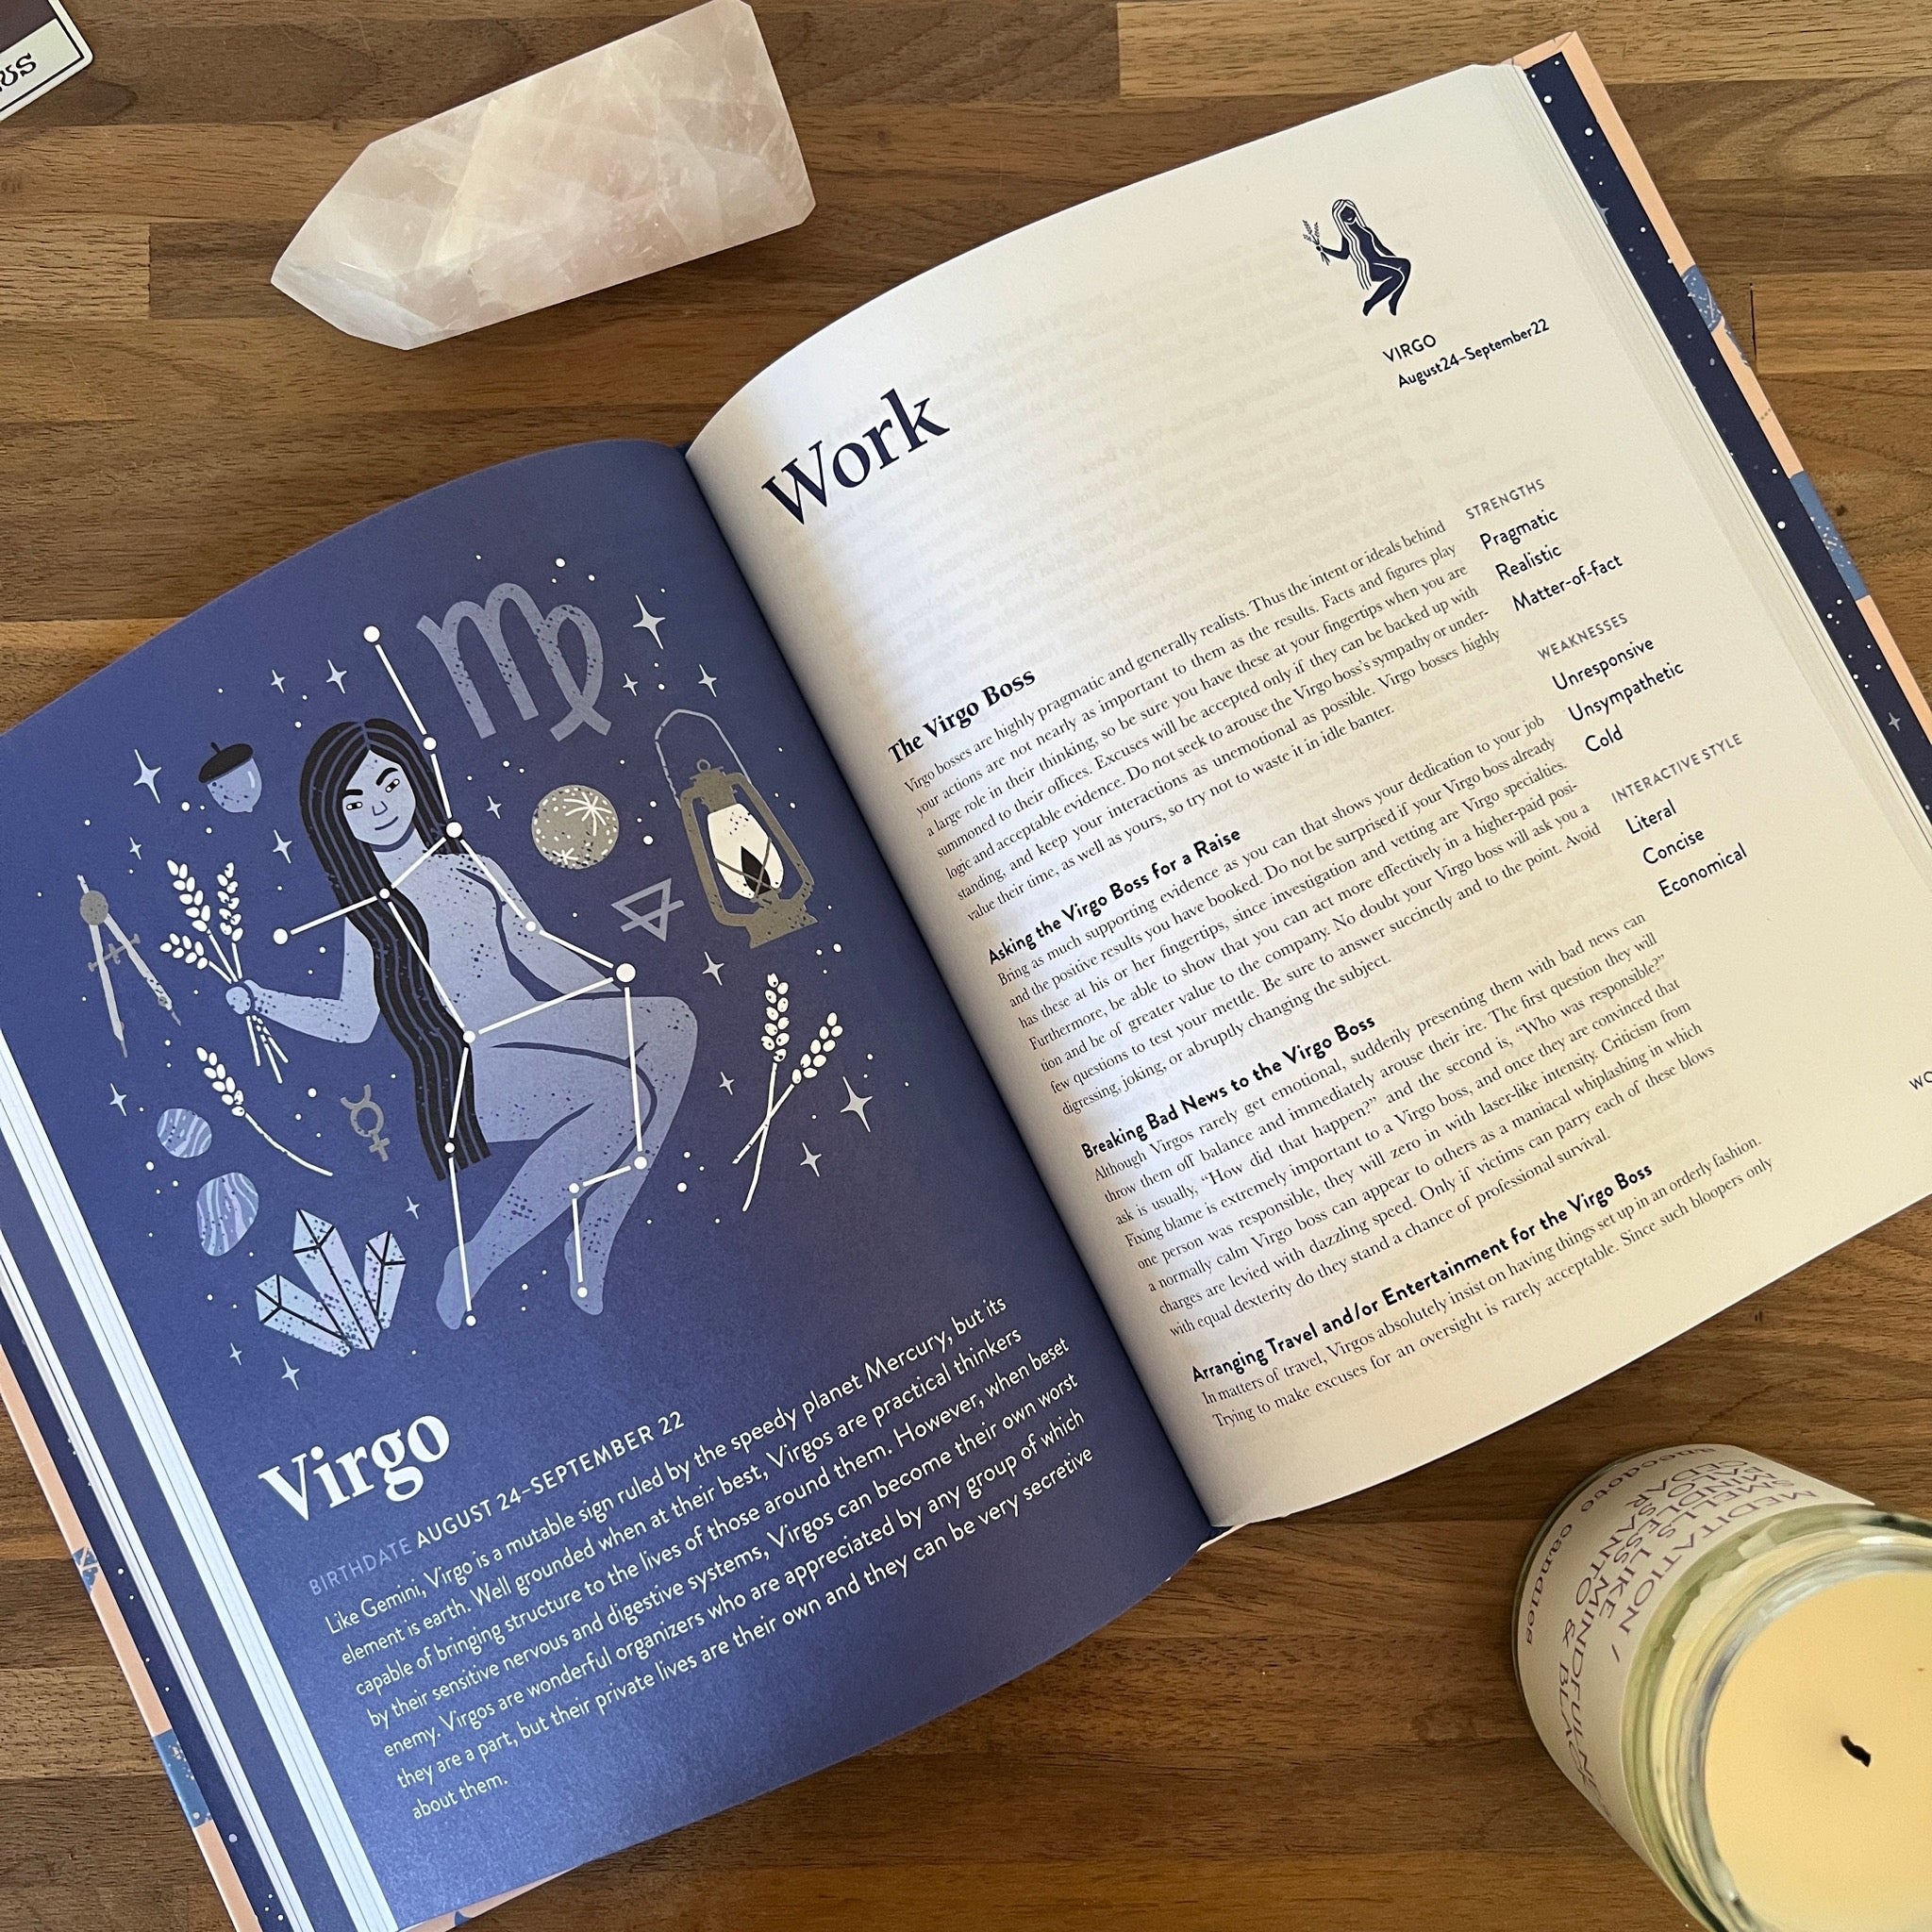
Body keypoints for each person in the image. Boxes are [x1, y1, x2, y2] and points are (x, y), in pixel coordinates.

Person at [229, 718, 694, 1324]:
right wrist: (264, 1001)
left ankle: (599, 1225)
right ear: (338, 822)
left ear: (416, 782)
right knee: (621, 1095)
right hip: (474, 1072)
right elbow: (352, 1023)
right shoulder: (366, 916)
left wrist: (614, 1006)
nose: (380, 807)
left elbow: (537, 950)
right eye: (356, 801)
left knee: (674, 1023)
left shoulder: (472, 865)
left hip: (539, 1025)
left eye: (390, 783)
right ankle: (480, 1256)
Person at [1309, 198, 1411, 317]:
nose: (1349, 215)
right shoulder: (1347, 236)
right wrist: (1324, 249)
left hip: (1379, 260)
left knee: (1405, 264)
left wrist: (1394, 260)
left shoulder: (1367, 230)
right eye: (1344, 214)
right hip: (1369, 267)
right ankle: (1370, 302)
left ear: (1355, 211)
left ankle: (1394, 300)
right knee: (1397, 276)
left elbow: (1381, 247)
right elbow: (1344, 255)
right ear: (1340, 218)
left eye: (1350, 211)